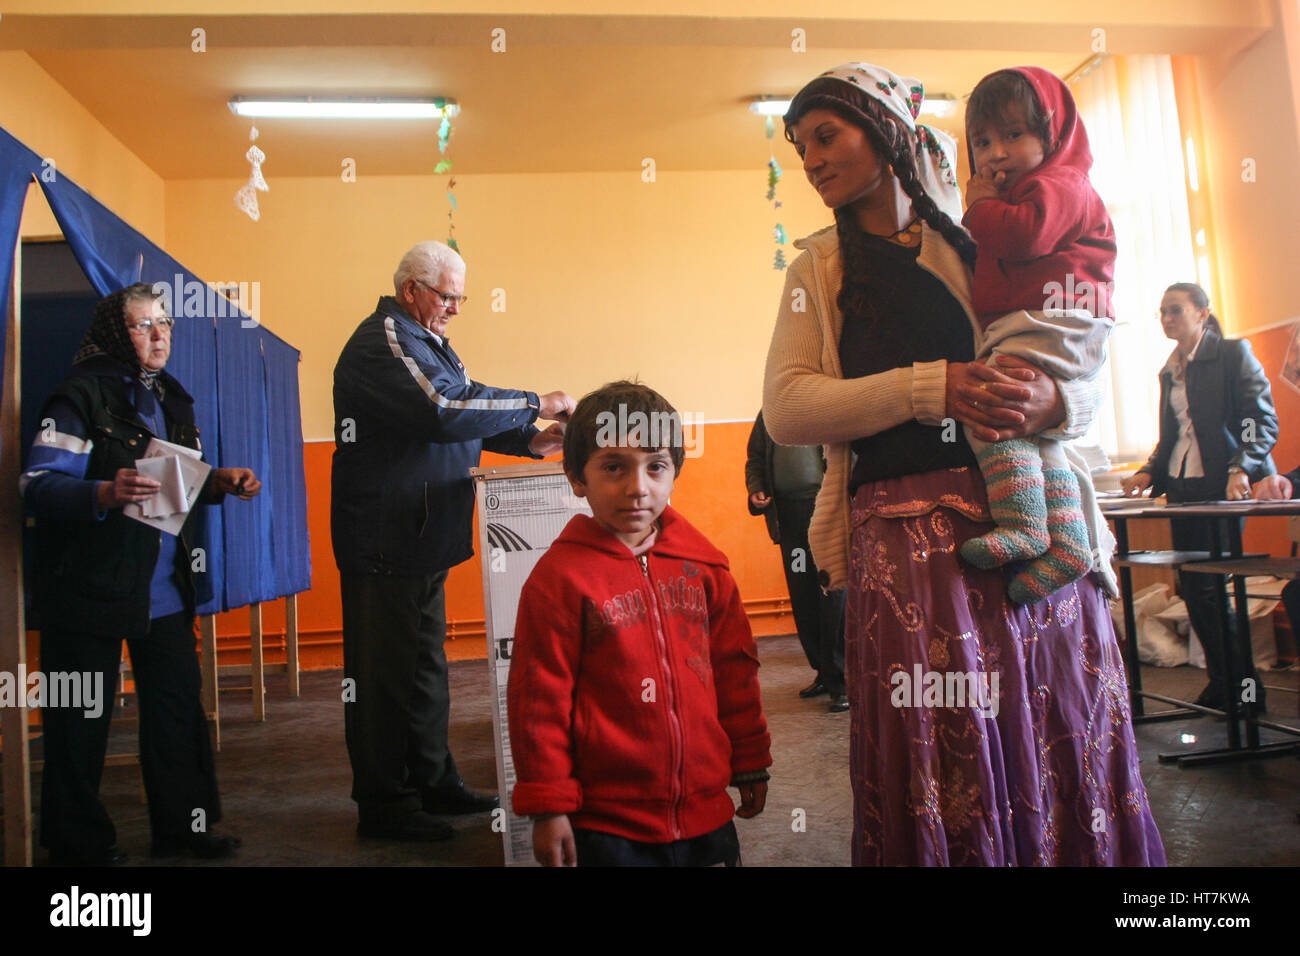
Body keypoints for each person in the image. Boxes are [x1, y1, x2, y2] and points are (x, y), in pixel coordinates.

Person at [764, 63, 1164, 865]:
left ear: (885, 134)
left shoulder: (986, 235)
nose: (810, 160)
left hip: (1039, 535)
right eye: (800, 145)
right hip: (914, 560)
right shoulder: (817, 270)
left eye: (826, 135)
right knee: (946, 757)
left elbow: (1074, 366)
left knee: (1059, 736)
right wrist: (931, 387)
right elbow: (789, 409)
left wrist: (1057, 407)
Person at [331, 240, 573, 842]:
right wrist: (535, 402)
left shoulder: (427, 342)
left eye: (461, 297)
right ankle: (386, 805)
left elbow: (460, 414)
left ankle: (433, 782)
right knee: (384, 675)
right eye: (449, 296)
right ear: (411, 288)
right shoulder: (383, 338)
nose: (457, 308)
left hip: (422, 537)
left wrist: (532, 439)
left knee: (424, 669)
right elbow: (441, 408)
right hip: (385, 540)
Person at [22, 283, 260, 865]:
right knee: (79, 722)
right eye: (143, 325)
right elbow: (36, 485)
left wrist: (218, 481)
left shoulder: (173, 398)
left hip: (162, 588)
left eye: (165, 325)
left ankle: (185, 829)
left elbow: (177, 478)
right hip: (87, 585)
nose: (159, 336)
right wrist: (101, 490)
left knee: (177, 713)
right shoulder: (78, 396)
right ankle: (77, 846)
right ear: (114, 333)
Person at [508, 381, 771, 866]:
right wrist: (548, 807)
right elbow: (537, 702)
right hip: (607, 828)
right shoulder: (558, 582)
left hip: (707, 817)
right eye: (613, 467)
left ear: (675, 472)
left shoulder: (707, 568)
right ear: (576, 477)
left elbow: (735, 672)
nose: (637, 488)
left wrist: (751, 762)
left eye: (656, 466)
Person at [958, 67, 1115, 603]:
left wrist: (977, 207)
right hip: (1048, 320)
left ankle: (1024, 525)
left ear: (1054, 135)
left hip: (1059, 315)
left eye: (1014, 135)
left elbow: (1026, 236)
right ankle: (1069, 543)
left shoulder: (1061, 183)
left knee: (990, 402)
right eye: (982, 141)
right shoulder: (1034, 188)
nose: (995, 153)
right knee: (1036, 434)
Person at [1121, 282, 1277, 711]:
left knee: (1210, 590)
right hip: (1184, 487)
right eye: (1162, 312)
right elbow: (1172, 436)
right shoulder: (1169, 368)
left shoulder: (1232, 354)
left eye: (1175, 310)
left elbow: (1258, 421)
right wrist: (1147, 470)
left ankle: (1246, 690)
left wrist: (1240, 466)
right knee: (1193, 590)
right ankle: (1224, 683)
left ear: (1203, 313)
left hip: (1220, 487)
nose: (1167, 319)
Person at [745, 410, 847, 711]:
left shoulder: (824, 407)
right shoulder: (768, 415)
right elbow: (755, 460)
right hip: (788, 519)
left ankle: (842, 682)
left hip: (826, 512)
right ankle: (823, 673)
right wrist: (755, 490)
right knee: (803, 597)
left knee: (833, 595)